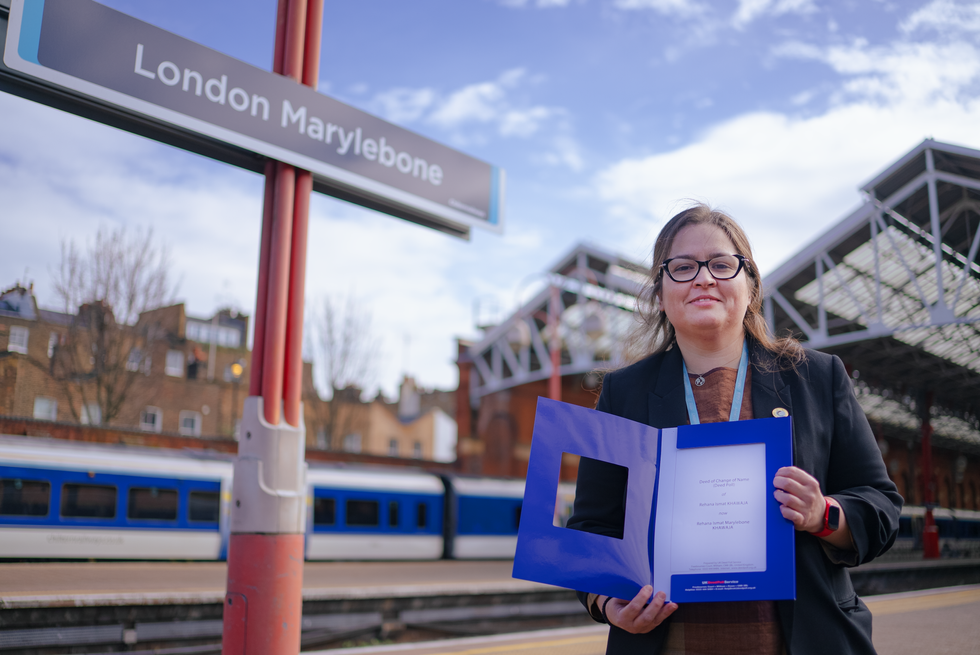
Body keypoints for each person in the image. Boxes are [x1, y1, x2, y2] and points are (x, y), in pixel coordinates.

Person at [566, 203, 902, 655]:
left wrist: (824, 513)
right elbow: (591, 526)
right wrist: (606, 602)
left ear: (751, 286)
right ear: (661, 291)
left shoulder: (816, 378)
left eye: (722, 265)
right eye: (682, 267)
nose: (703, 278)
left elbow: (881, 507)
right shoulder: (623, 394)